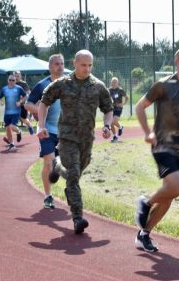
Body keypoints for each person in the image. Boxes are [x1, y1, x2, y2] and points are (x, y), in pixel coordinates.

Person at [134, 45, 179, 253]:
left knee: (169, 196)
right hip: (162, 144)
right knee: (177, 187)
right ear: (177, 60)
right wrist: (147, 132)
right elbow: (140, 107)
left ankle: (144, 234)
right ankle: (146, 203)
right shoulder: (163, 85)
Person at [38, 50, 113, 234]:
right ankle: (78, 217)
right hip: (67, 138)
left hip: (87, 139)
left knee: (76, 173)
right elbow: (44, 102)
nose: (86, 69)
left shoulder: (98, 86)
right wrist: (41, 125)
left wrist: (107, 126)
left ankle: (56, 166)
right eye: (83, 65)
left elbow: (108, 108)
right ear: (75, 63)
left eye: (90, 65)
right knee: (73, 174)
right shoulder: (62, 84)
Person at [25, 54, 65, 210]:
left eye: (62, 64)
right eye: (56, 64)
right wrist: (42, 111)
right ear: (50, 67)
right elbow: (28, 104)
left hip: (64, 131)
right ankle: (48, 196)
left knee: (63, 164)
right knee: (48, 162)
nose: (60, 67)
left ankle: (70, 190)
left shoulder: (68, 84)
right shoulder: (42, 85)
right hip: (46, 130)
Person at [0, 74, 27, 152]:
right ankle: (12, 144)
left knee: (13, 126)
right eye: (10, 80)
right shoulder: (4, 89)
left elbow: (25, 96)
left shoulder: (19, 88)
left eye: (13, 80)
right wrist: (0, 102)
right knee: (7, 129)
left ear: (15, 81)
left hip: (16, 111)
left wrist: (20, 102)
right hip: (7, 112)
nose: (11, 82)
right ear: (8, 80)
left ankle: (19, 132)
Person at [13, 70, 34, 135]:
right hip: (13, 105)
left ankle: (29, 126)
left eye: (18, 76)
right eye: (15, 76)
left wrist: (22, 99)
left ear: (20, 76)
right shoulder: (12, 83)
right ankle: (17, 133)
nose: (16, 77)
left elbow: (27, 94)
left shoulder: (23, 84)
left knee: (23, 119)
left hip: (22, 104)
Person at [108, 77, 128, 142]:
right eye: (112, 82)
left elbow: (126, 97)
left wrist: (123, 104)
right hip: (112, 108)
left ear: (117, 83)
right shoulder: (109, 90)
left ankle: (120, 127)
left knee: (114, 121)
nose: (113, 83)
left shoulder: (120, 90)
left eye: (115, 82)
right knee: (111, 123)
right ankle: (115, 136)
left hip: (119, 108)